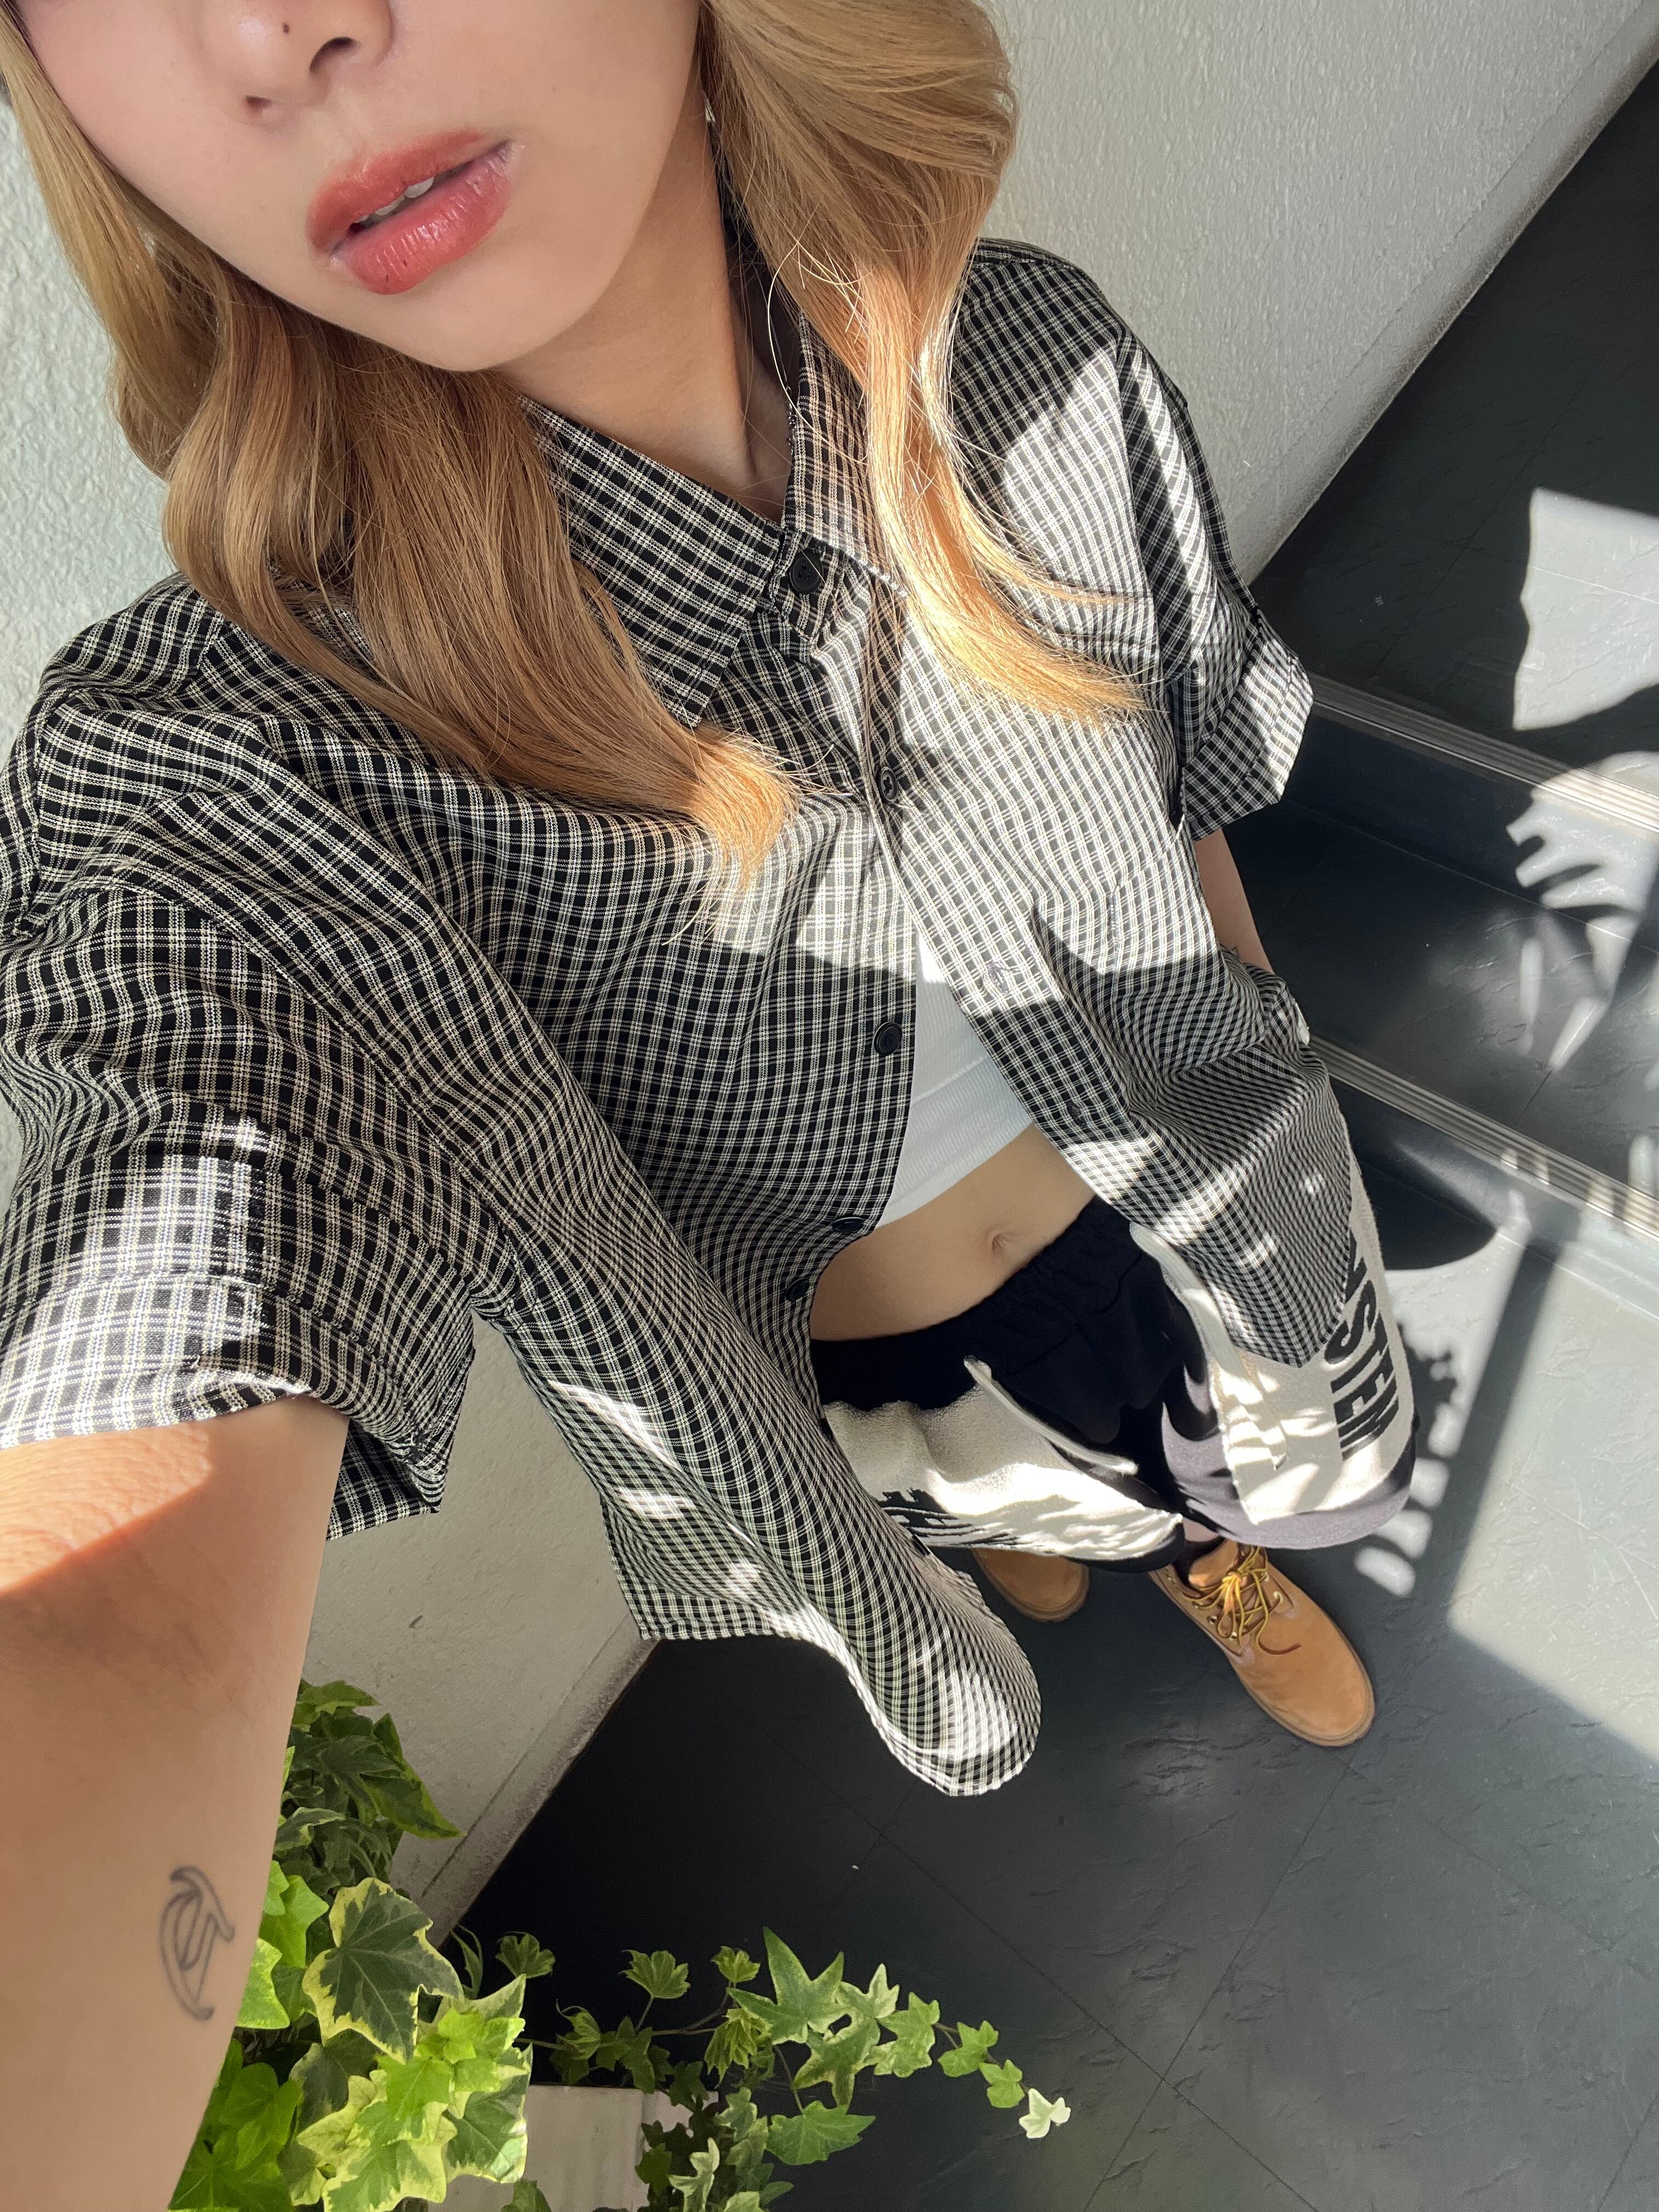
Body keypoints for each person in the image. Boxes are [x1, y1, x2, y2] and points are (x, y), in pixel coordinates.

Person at [0, 1, 1417, 2203]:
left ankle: (1193, 1562)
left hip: (1167, 1222)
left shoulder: (1035, 373)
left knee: (1191, 1468)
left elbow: (1192, 803)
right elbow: (116, 1554)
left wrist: (1257, 1069)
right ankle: (1060, 1552)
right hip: (859, 1372)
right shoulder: (241, 773)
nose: (277, 28)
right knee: (982, 1508)